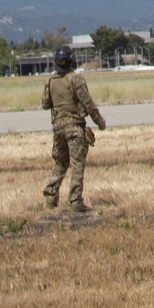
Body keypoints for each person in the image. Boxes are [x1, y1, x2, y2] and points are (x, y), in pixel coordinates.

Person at [41, 44, 106, 211]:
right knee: (77, 164)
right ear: (71, 61)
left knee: (60, 163)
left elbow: (45, 104)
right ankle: (76, 201)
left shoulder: (50, 80)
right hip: (75, 128)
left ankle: (50, 199)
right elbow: (88, 104)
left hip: (58, 129)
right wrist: (100, 122)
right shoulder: (76, 79)